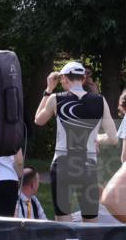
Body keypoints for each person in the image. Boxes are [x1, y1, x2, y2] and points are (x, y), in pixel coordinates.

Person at [34, 61, 119, 222]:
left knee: (63, 223)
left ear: (64, 78)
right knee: (90, 223)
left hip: (62, 164)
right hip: (88, 165)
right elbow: (113, 138)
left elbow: (38, 120)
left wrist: (48, 89)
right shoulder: (100, 100)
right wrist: (96, 139)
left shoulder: (55, 98)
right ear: (83, 79)